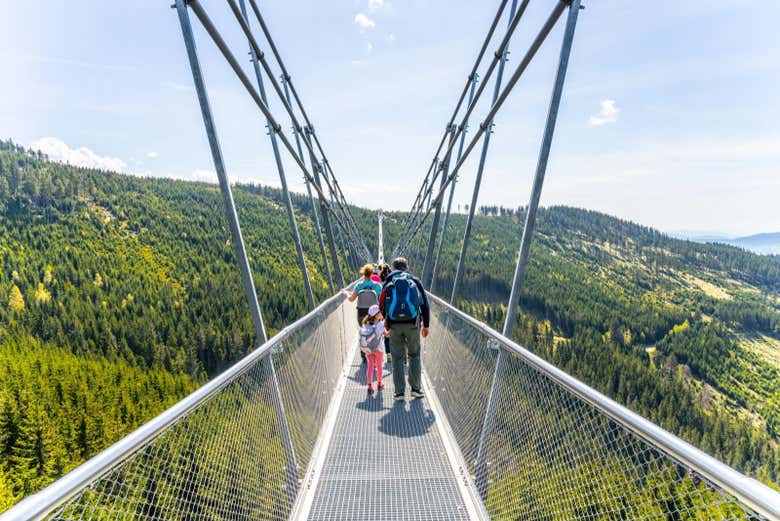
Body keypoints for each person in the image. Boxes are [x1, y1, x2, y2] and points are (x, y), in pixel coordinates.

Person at [379, 257, 430, 401]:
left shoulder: (388, 282)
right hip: (413, 323)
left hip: (394, 324)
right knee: (414, 355)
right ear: (406, 267)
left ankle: (399, 393)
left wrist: (383, 324)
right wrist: (426, 325)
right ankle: (415, 389)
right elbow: (425, 304)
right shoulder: (414, 281)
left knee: (397, 357)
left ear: (394, 268)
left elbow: (381, 305)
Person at [342, 264, 382, 363]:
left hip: (361, 314)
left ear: (363, 274)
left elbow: (351, 299)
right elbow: (381, 301)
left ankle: (364, 354)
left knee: (364, 332)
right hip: (374, 315)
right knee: (375, 332)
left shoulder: (359, 286)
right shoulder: (377, 286)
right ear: (372, 273)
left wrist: (346, 293)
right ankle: (374, 352)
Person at [359, 304, 387, 394]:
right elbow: (386, 334)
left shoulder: (365, 324)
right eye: (379, 312)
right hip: (379, 349)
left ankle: (370, 386)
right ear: (376, 314)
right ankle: (379, 383)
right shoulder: (380, 324)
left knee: (370, 366)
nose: (381, 313)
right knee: (379, 366)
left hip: (369, 349)